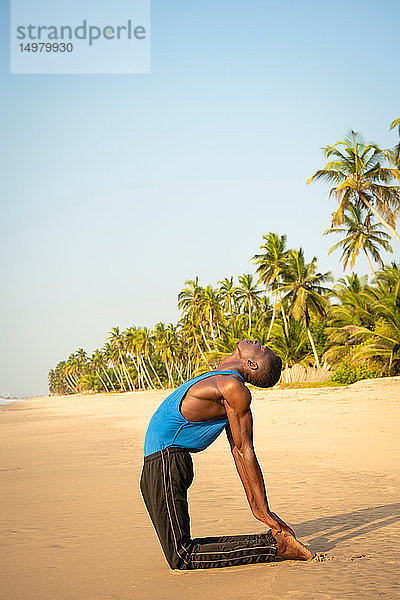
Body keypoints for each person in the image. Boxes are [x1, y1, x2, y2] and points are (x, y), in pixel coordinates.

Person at [140, 339, 313, 569]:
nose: (258, 342)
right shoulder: (220, 378)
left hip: (166, 463)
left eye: (262, 349)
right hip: (157, 463)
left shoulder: (232, 388)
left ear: (251, 364)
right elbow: (238, 450)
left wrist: (261, 509)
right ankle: (274, 543)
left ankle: (276, 546)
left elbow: (243, 450)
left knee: (181, 555)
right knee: (178, 547)